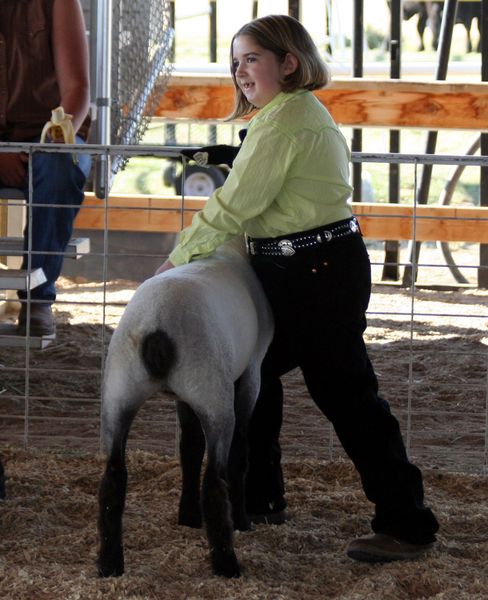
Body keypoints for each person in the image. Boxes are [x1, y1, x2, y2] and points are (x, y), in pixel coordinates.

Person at [157, 14, 439, 563]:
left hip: (315, 273)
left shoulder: (287, 122)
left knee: (346, 392)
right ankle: (261, 496)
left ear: (289, 62)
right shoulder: (283, 116)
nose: (240, 71)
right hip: (304, 267)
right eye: (235, 61)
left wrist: (177, 259)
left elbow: (237, 203)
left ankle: (408, 524)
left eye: (252, 59)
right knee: (256, 371)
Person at [0, 0, 92, 336]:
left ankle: (37, 299)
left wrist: (52, 141)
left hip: (48, 133)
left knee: (59, 167)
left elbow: (77, 89)